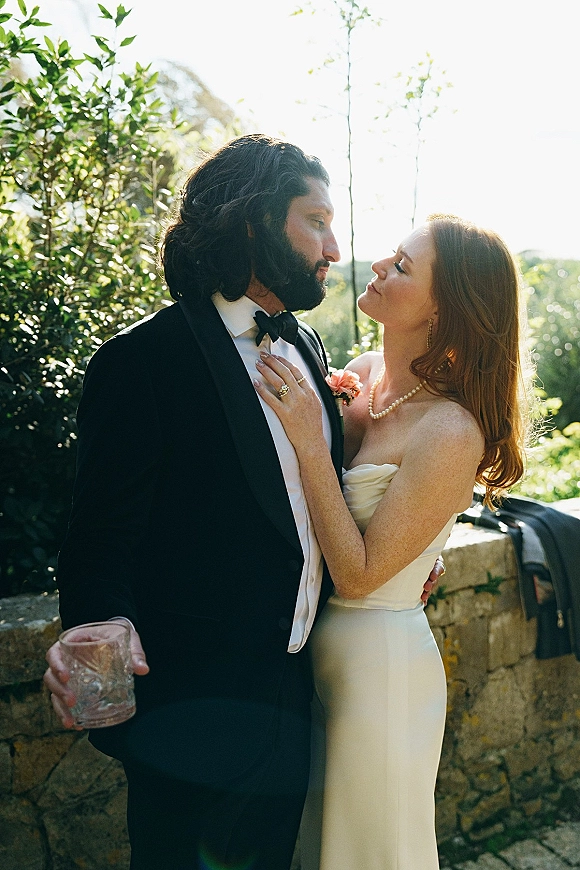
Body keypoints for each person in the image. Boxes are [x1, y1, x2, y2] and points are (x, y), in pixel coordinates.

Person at [42, 134, 441, 870]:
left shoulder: (309, 349)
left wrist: (409, 553)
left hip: (294, 699)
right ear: (254, 222)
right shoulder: (142, 361)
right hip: (189, 714)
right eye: (316, 222)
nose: (334, 248)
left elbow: (315, 496)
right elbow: (99, 538)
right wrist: (97, 627)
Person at [255, 214, 531, 870]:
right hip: (308, 659)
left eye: (403, 266)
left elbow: (359, 576)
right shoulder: (360, 374)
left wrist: (308, 440)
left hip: (378, 670)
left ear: (442, 311)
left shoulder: (450, 429)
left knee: (368, 851)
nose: (378, 265)